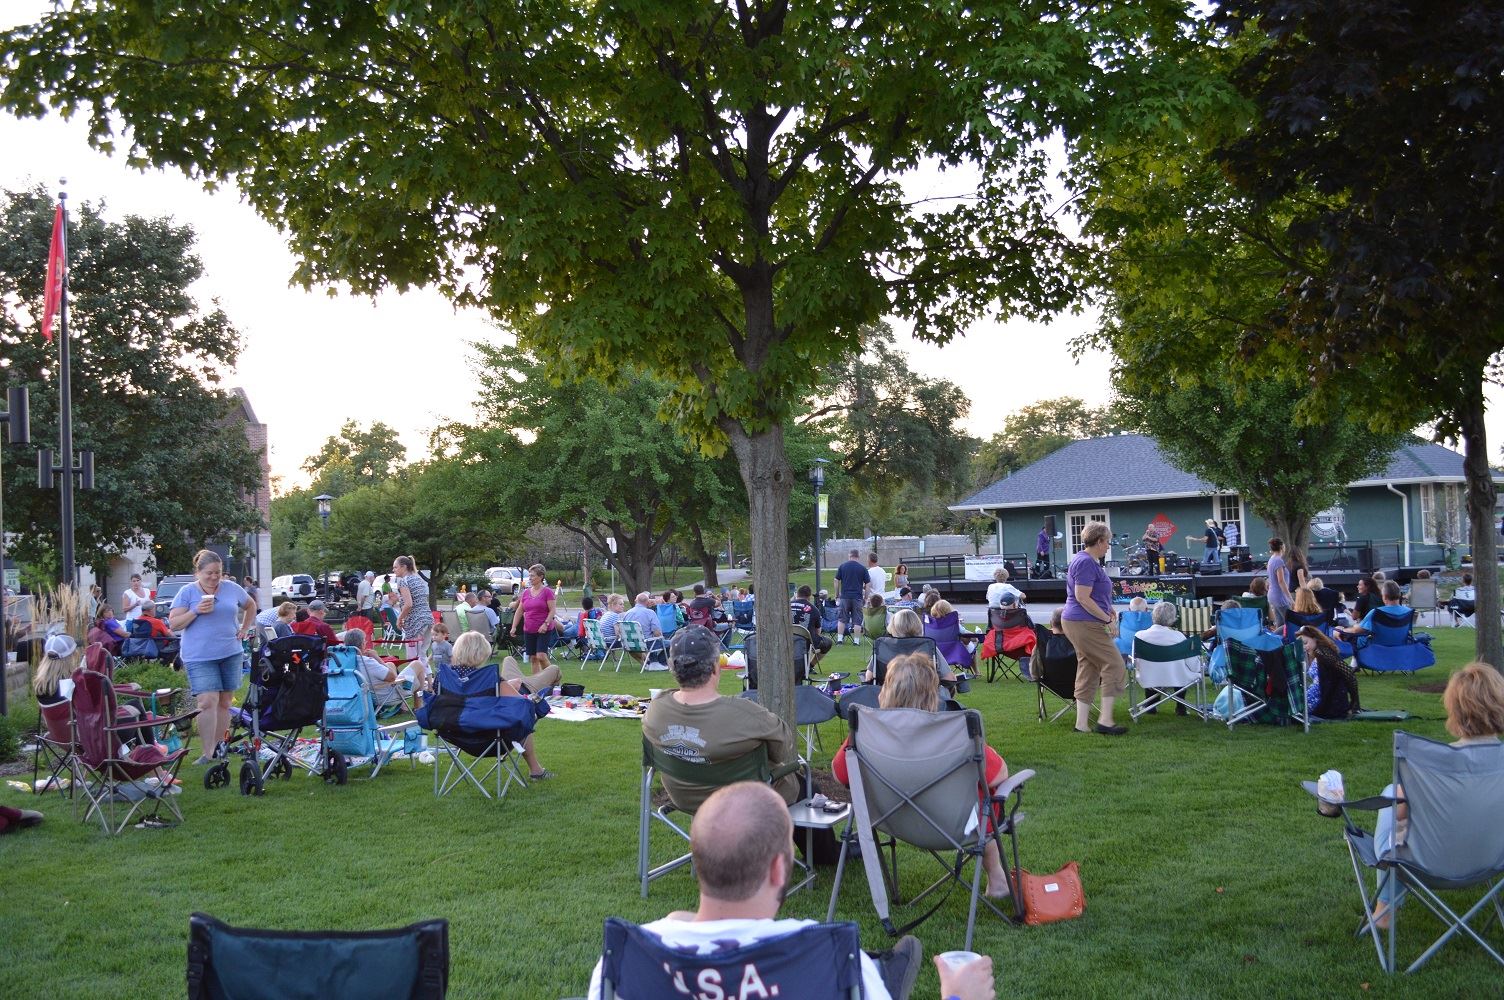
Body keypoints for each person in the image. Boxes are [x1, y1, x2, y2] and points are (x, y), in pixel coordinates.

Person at [586, 782, 991, 1000]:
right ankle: (889, 972)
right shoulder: (833, 960)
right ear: (780, 868)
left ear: (699, 863)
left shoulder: (625, 961)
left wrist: (676, 924)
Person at [833, 653, 1012, 901]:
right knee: (986, 798)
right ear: (933, 694)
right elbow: (999, 775)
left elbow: (840, 773)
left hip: (889, 819)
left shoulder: (866, 731)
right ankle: (997, 877)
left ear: (885, 690)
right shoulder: (956, 732)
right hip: (955, 826)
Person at [1368, 662, 1504, 930]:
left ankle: (1384, 909)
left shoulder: (1431, 766)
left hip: (1426, 865)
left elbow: (1399, 815)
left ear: (1454, 709)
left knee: (1392, 799)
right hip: (1493, 860)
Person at [642, 625, 801, 811]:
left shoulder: (655, 709)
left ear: (673, 668)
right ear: (716, 668)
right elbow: (782, 751)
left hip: (686, 800)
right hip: (746, 803)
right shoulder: (748, 714)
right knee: (804, 786)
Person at [167, 549, 257, 765]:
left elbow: (250, 605)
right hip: (199, 656)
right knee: (207, 701)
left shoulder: (231, 588)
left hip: (230, 652)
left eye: (218, 572)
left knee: (225, 702)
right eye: (209, 573)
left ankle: (219, 748)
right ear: (198, 572)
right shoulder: (187, 592)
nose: (215, 577)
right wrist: (196, 610)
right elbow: (174, 623)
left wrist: (245, 628)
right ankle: (207, 753)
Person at [446, 631, 553, 780]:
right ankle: (536, 770)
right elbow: (521, 704)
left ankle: (536, 770)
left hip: (457, 737)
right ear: (480, 654)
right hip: (491, 739)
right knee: (525, 716)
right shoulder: (488, 679)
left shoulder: (444, 678)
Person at [1061, 522, 1127, 735]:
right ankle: (1105, 721)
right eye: (1107, 541)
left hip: (1082, 621)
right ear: (1098, 541)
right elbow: (1082, 597)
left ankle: (1081, 724)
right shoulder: (1086, 562)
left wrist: (1108, 610)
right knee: (1114, 664)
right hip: (1083, 622)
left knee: (1088, 668)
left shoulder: (1086, 561)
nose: (1108, 546)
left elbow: (1094, 595)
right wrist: (1106, 620)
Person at [865, 608, 954, 684]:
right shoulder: (927, 646)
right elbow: (949, 678)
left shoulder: (883, 646)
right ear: (918, 625)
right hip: (923, 699)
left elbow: (869, 677)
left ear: (893, 626)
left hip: (889, 698)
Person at [1133, 601, 1192, 716]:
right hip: (1175, 677)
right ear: (1172, 618)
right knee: (1180, 668)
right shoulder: (1179, 636)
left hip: (1148, 677)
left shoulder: (1140, 636)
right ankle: (1181, 708)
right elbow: (1190, 662)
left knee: (1149, 667)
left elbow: (1135, 660)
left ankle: (1150, 706)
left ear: (1153, 616)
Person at [1295, 626, 1360, 720]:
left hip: (1327, 703)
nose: (1304, 647)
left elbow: (1348, 673)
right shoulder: (1318, 652)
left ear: (1315, 638)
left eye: (1305, 643)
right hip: (1321, 700)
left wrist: (1354, 702)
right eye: (1302, 645)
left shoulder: (1323, 652)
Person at [391, 555, 432, 691]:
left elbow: (408, 604)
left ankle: (415, 688)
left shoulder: (403, 581)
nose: (394, 570)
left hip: (415, 622)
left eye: (396, 567)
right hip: (428, 619)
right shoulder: (418, 579)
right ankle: (429, 685)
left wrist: (399, 618)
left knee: (413, 658)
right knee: (422, 654)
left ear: (404, 567)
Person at [341, 627, 404, 711]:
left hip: (354, 697)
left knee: (390, 664)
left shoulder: (343, 661)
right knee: (417, 665)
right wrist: (377, 658)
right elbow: (392, 678)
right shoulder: (367, 662)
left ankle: (406, 707)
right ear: (362, 644)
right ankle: (417, 705)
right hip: (383, 697)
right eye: (365, 641)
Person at [1339, 580, 1410, 640]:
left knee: (1338, 632)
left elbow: (1357, 630)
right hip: (1400, 646)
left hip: (1376, 647)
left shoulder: (1376, 612)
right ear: (1399, 595)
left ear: (1384, 596)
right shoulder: (1408, 611)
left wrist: (1341, 630)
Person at [619, 590, 666, 665]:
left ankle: (648, 662)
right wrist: (662, 638)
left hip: (629, 643)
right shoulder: (650, 613)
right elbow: (657, 633)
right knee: (670, 643)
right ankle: (659, 663)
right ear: (647, 602)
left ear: (635, 601)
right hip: (647, 644)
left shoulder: (627, 613)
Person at [789, 585, 834, 661]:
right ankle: (810, 666)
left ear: (797, 594)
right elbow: (818, 632)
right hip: (806, 642)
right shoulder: (814, 609)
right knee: (827, 643)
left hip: (787, 638)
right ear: (809, 597)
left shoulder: (787, 605)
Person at [834, 548, 869, 645]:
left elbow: (836, 581)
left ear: (849, 556)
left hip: (844, 597)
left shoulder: (842, 566)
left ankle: (840, 640)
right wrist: (866, 597)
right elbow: (868, 584)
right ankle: (856, 641)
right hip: (857, 597)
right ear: (858, 557)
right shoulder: (862, 568)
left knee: (842, 619)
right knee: (857, 620)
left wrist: (837, 595)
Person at [1265, 537, 1293, 629]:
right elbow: (1281, 581)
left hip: (1273, 595)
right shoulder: (1278, 561)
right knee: (1291, 621)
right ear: (1282, 546)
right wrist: (1290, 598)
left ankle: (1279, 640)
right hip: (1279, 596)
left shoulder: (1271, 559)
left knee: (1280, 623)